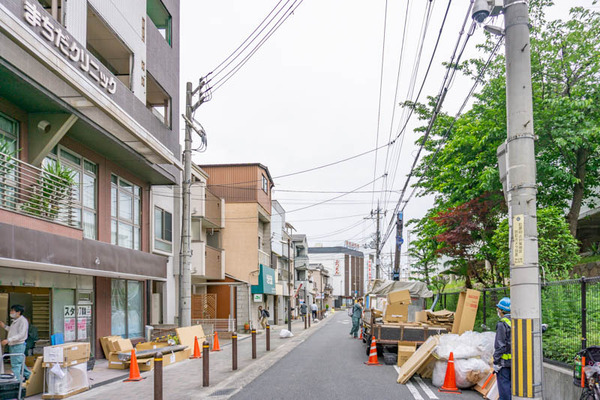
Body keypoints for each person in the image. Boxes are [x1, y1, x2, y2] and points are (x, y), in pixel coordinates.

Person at [0, 304, 31, 381]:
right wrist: (4, 326)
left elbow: (21, 334)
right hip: (14, 345)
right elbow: (12, 331)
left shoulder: (23, 321)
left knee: (15, 365)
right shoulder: (15, 321)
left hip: (18, 345)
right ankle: (30, 378)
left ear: (18, 312)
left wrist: (8, 340)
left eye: (12, 311)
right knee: (20, 364)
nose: (11, 312)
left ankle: (17, 382)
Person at [493, 297, 512, 400]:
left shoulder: (502, 324)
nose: (498, 311)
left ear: (502, 310)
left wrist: (495, 362)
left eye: (499, 309)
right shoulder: (518, 322)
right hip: (516, 363)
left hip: (503, 364)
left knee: (504, 393)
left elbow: (500, 345)